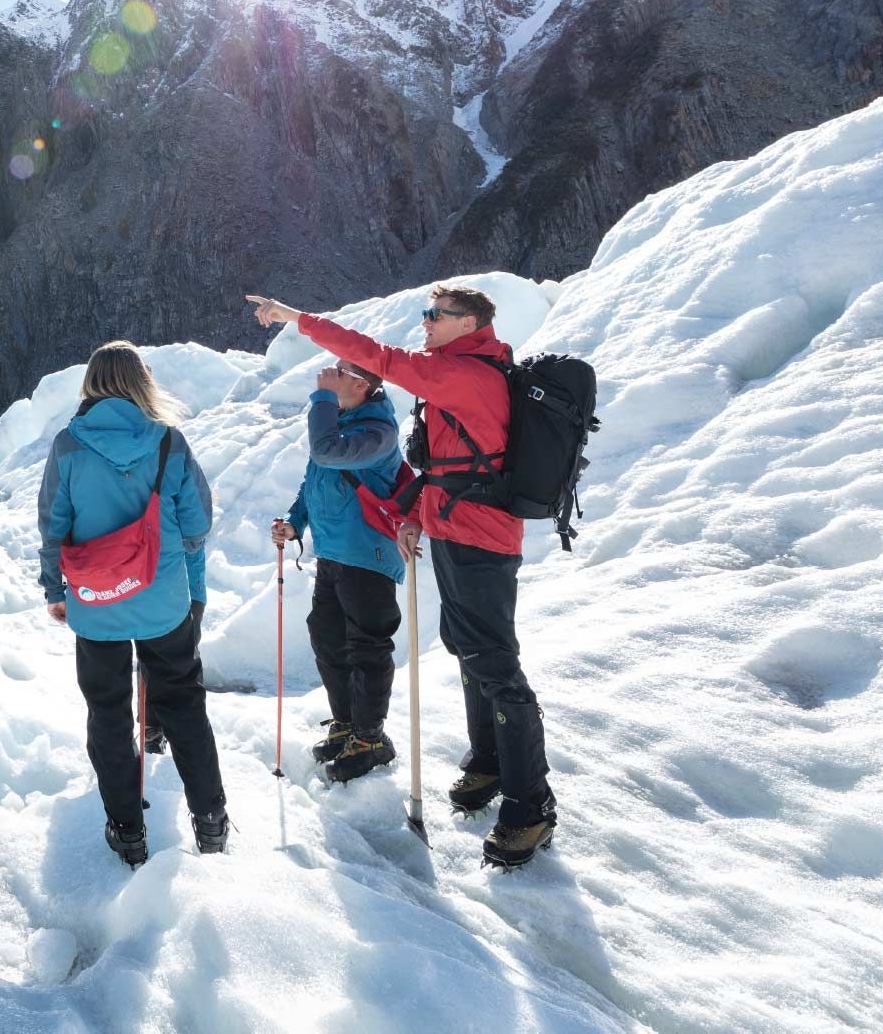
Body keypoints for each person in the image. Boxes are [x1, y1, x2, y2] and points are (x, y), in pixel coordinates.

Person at [248, 287, 558, 868]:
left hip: (482, 538)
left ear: (469, 323)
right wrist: (416, 516)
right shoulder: (464, 373)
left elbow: (379, 358)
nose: (426, 323)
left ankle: (531, 803)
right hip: (456, 530)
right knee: (468, 648)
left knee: (494, 663)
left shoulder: (465, 373)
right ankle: (488, 761)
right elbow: (445, 465)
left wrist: (297, 318)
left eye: (435, 316)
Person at [38, 341, 228, 867]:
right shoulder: (168, 442)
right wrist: (167, 560)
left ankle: (127, 830)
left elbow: (53, 527)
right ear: (141, 382)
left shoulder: (69, 446)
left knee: (107, 712)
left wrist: (57, 591)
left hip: (96, 602)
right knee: (184, 705)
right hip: (163, 600)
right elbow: (197, 523)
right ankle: (210, 819)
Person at [272, 359, 406, 783]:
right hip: (333, 554)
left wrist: (322, 399)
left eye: (343, 372)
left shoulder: (377, 432)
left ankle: (371, 739)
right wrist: (296, 522)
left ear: (364, 384)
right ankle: (348, 723)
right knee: (328, 636)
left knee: (367, 644)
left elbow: (324, 454)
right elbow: (315, 480)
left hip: (367, 554)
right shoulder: (342, 426)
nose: (331, 373)